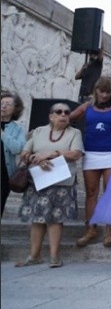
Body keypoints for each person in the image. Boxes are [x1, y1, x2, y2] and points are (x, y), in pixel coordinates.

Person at [15, 102, 84, 268]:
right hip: (38, 181)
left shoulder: (74, 132)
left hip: (62, 183)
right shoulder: (39, 131)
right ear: (51, 116)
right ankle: (34, 256)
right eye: (59, 112)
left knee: (56, 219)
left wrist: (52, 154)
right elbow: (25, 153)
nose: (63, 115)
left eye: (67, 112)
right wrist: (36, 159)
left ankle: (54, 257)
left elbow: (76, 153)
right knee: (37, 219)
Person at [68, 77, 111, 248]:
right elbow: (66, 119)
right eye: (101, 90)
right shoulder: (86, 107)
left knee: (109, 192)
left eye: (108, 91)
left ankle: (110, 231)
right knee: (91, 192)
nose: (104, 94)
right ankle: (90, 229)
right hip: (90, 154)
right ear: (96, 91)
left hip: (110, 156)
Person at [1, 91, 26, 217]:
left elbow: (17, 149)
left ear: (15, 109)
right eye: (1, 103)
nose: (3, 106)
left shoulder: (18, 129)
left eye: (7, 104)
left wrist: (2, 134)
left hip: (4, 175)